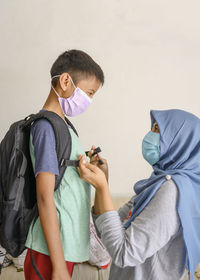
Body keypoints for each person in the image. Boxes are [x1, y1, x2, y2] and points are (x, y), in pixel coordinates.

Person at [78, 109, 200, 280]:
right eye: (153, 128)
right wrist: (102, 185)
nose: (151, 135)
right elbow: (104, 229)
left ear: (180, 142)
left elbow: (123, 253)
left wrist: (103, 187)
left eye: (158, 131)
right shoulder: (156, 184)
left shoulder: (172, 191)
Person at [24, 49, 104, 280]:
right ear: (66, 80)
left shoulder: (64, 126)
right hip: (49, 251)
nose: (89, 100)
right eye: (88, 92)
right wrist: (58, 266)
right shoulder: (46, 128)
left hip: (63, 246)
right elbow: (44, 196)